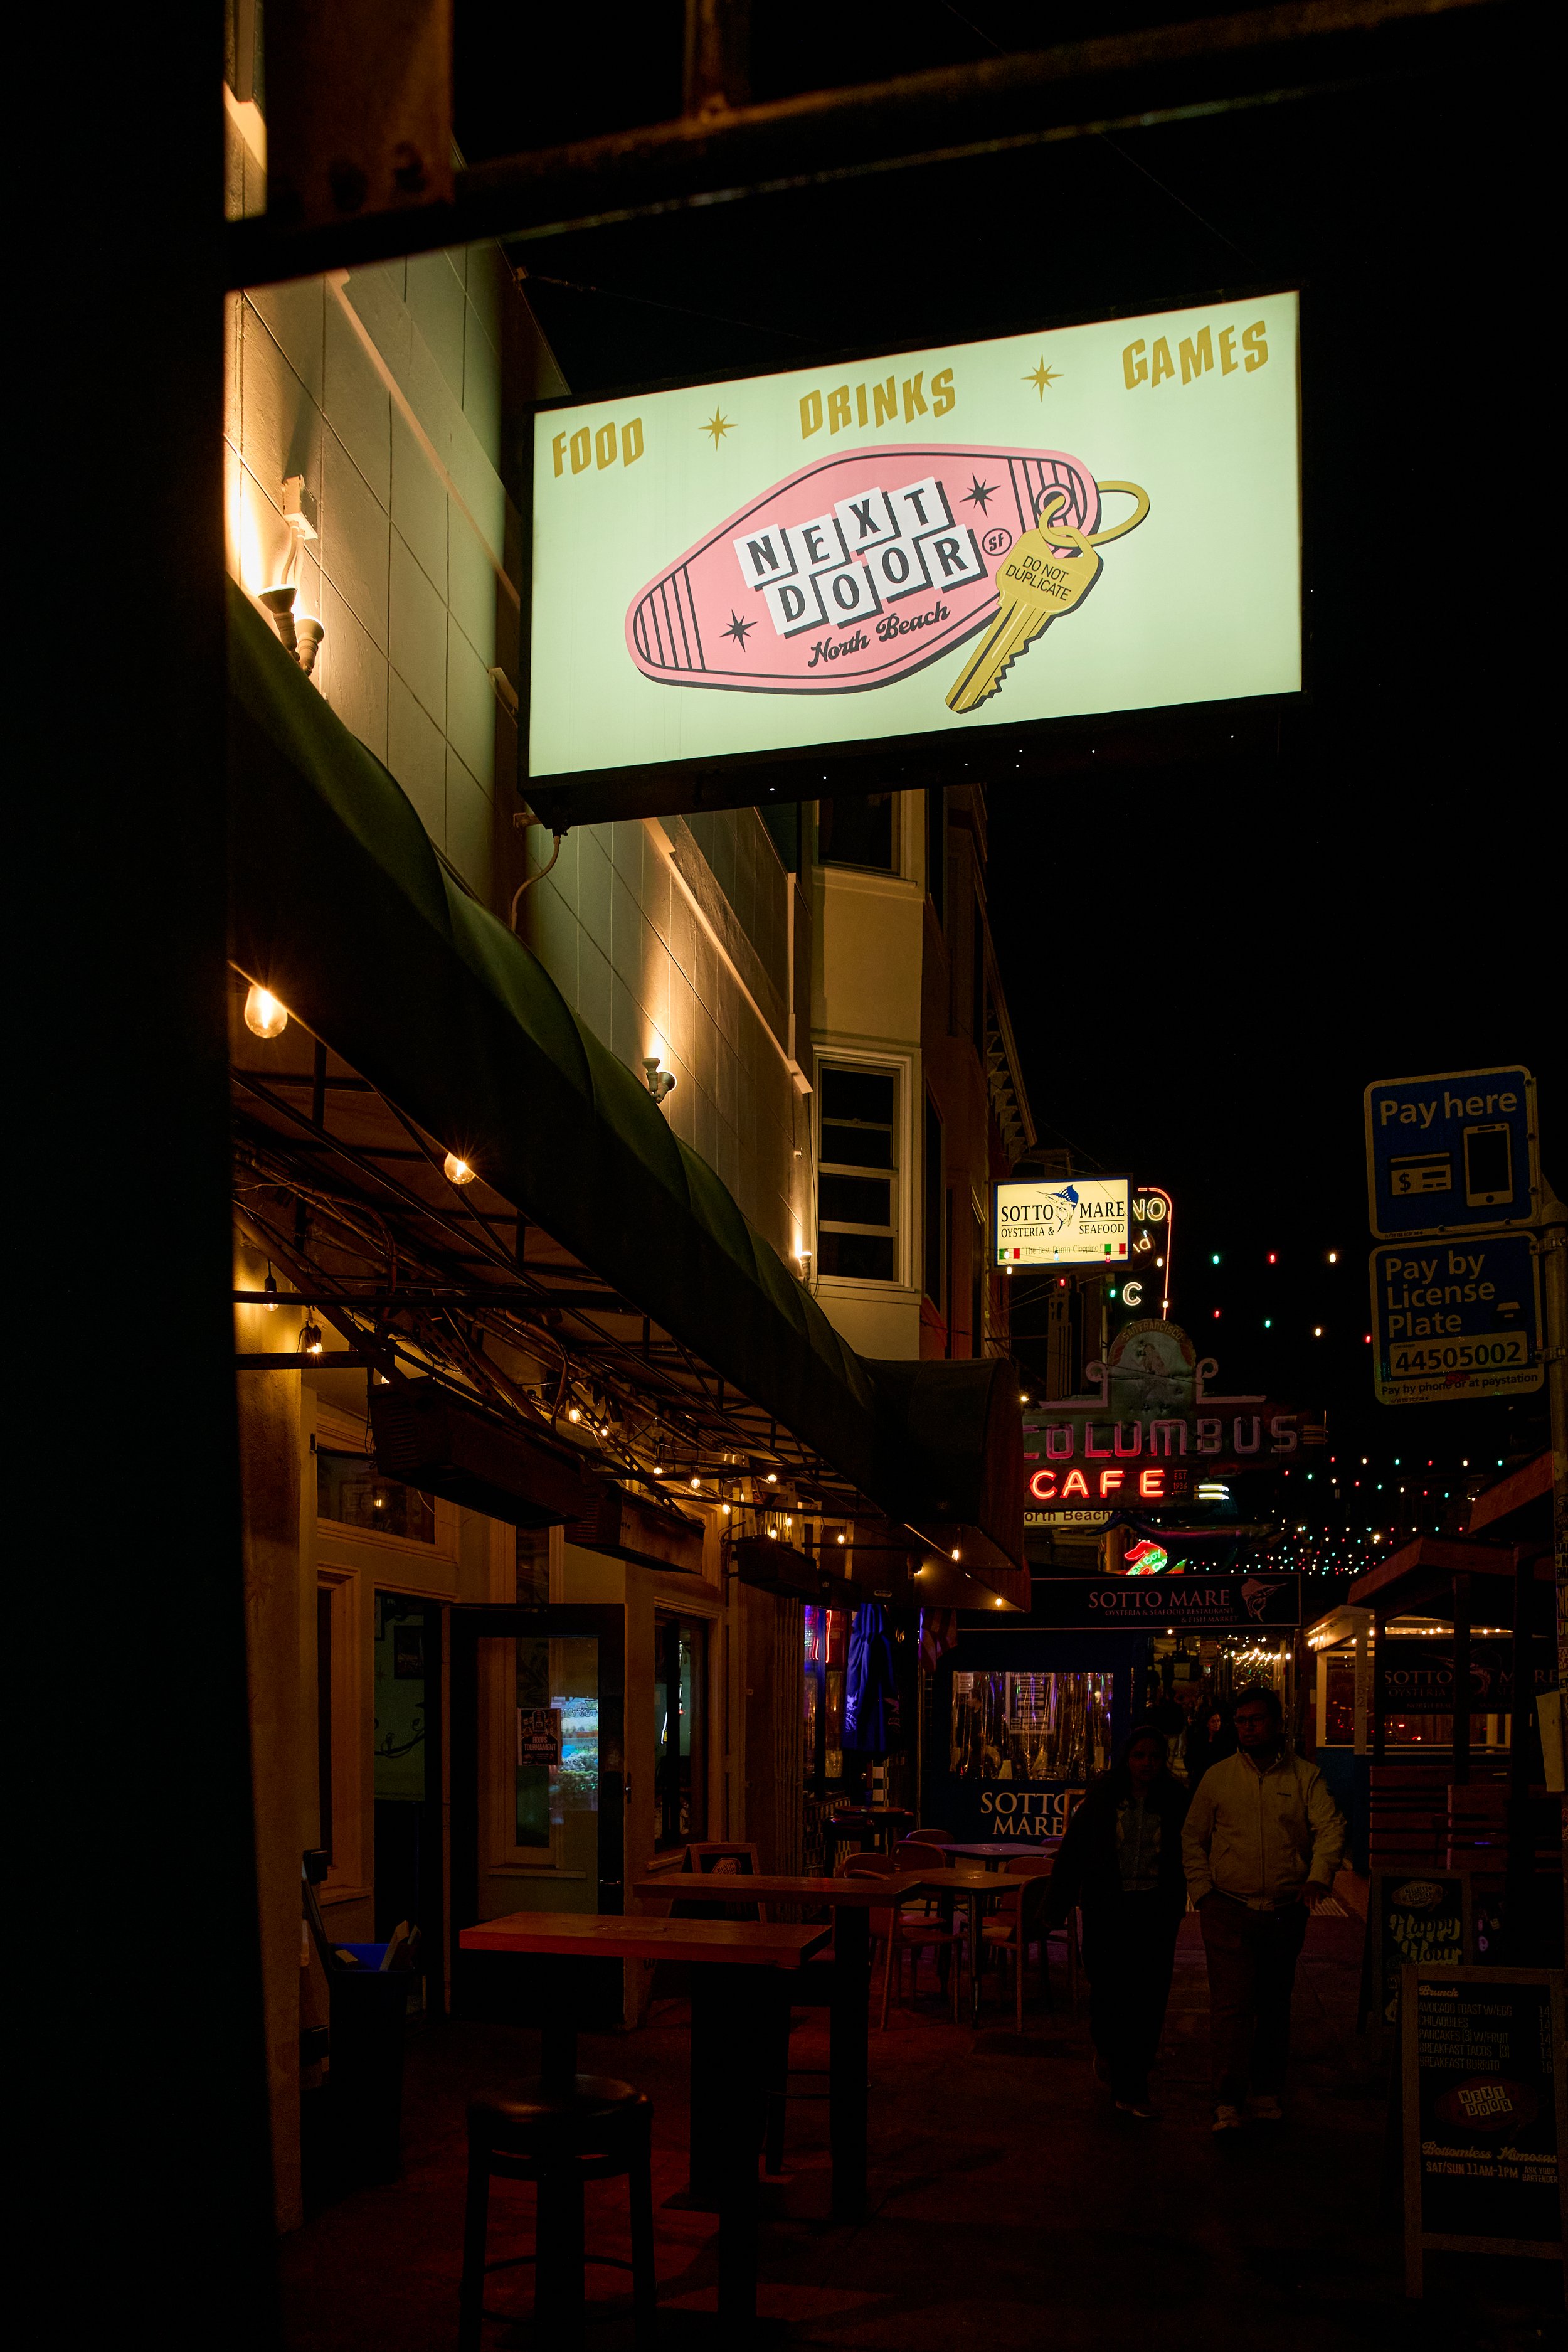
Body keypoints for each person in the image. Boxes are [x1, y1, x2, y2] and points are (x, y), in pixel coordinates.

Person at [1182, 1681, 1345, 2134]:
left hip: (1283, 1910)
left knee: (1273, 2004)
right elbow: (1192, 1836)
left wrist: (1319, 1877)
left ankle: (1268, 2090)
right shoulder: (1218, 1777)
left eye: (1256, 1719)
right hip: (1228, 1909)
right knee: (1232, 2007)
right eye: (1241, 1720)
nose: (1248, 1728)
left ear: (1276, 1723)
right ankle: (1228, 2099)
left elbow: (1330, 1827)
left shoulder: (1304, 1777)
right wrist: (1203, 1891)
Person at [1048, 1720, 1190, 2119]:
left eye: (1155, 1756)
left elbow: (1192, 1852)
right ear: (1127, 1759)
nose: (1147, 1763)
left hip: (1154, 1914)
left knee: (1147, 1999)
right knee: (1108, 1992)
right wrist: (1054, 1908)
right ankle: (1109, 2050)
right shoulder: (1103, 1800)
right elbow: (1073, 1855)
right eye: (1139, 1755)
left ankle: (1133, 2084)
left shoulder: (1176, 1802)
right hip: (1107, 1912)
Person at [1184, 1695, 1235, 1787]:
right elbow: (1190, 1756)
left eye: (1218, 1721)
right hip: (1200, 1777)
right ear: (1207, 1723)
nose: (1217, 1724)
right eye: (1213, 1721)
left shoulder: (1224, 1740)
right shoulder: (1199, 1739)